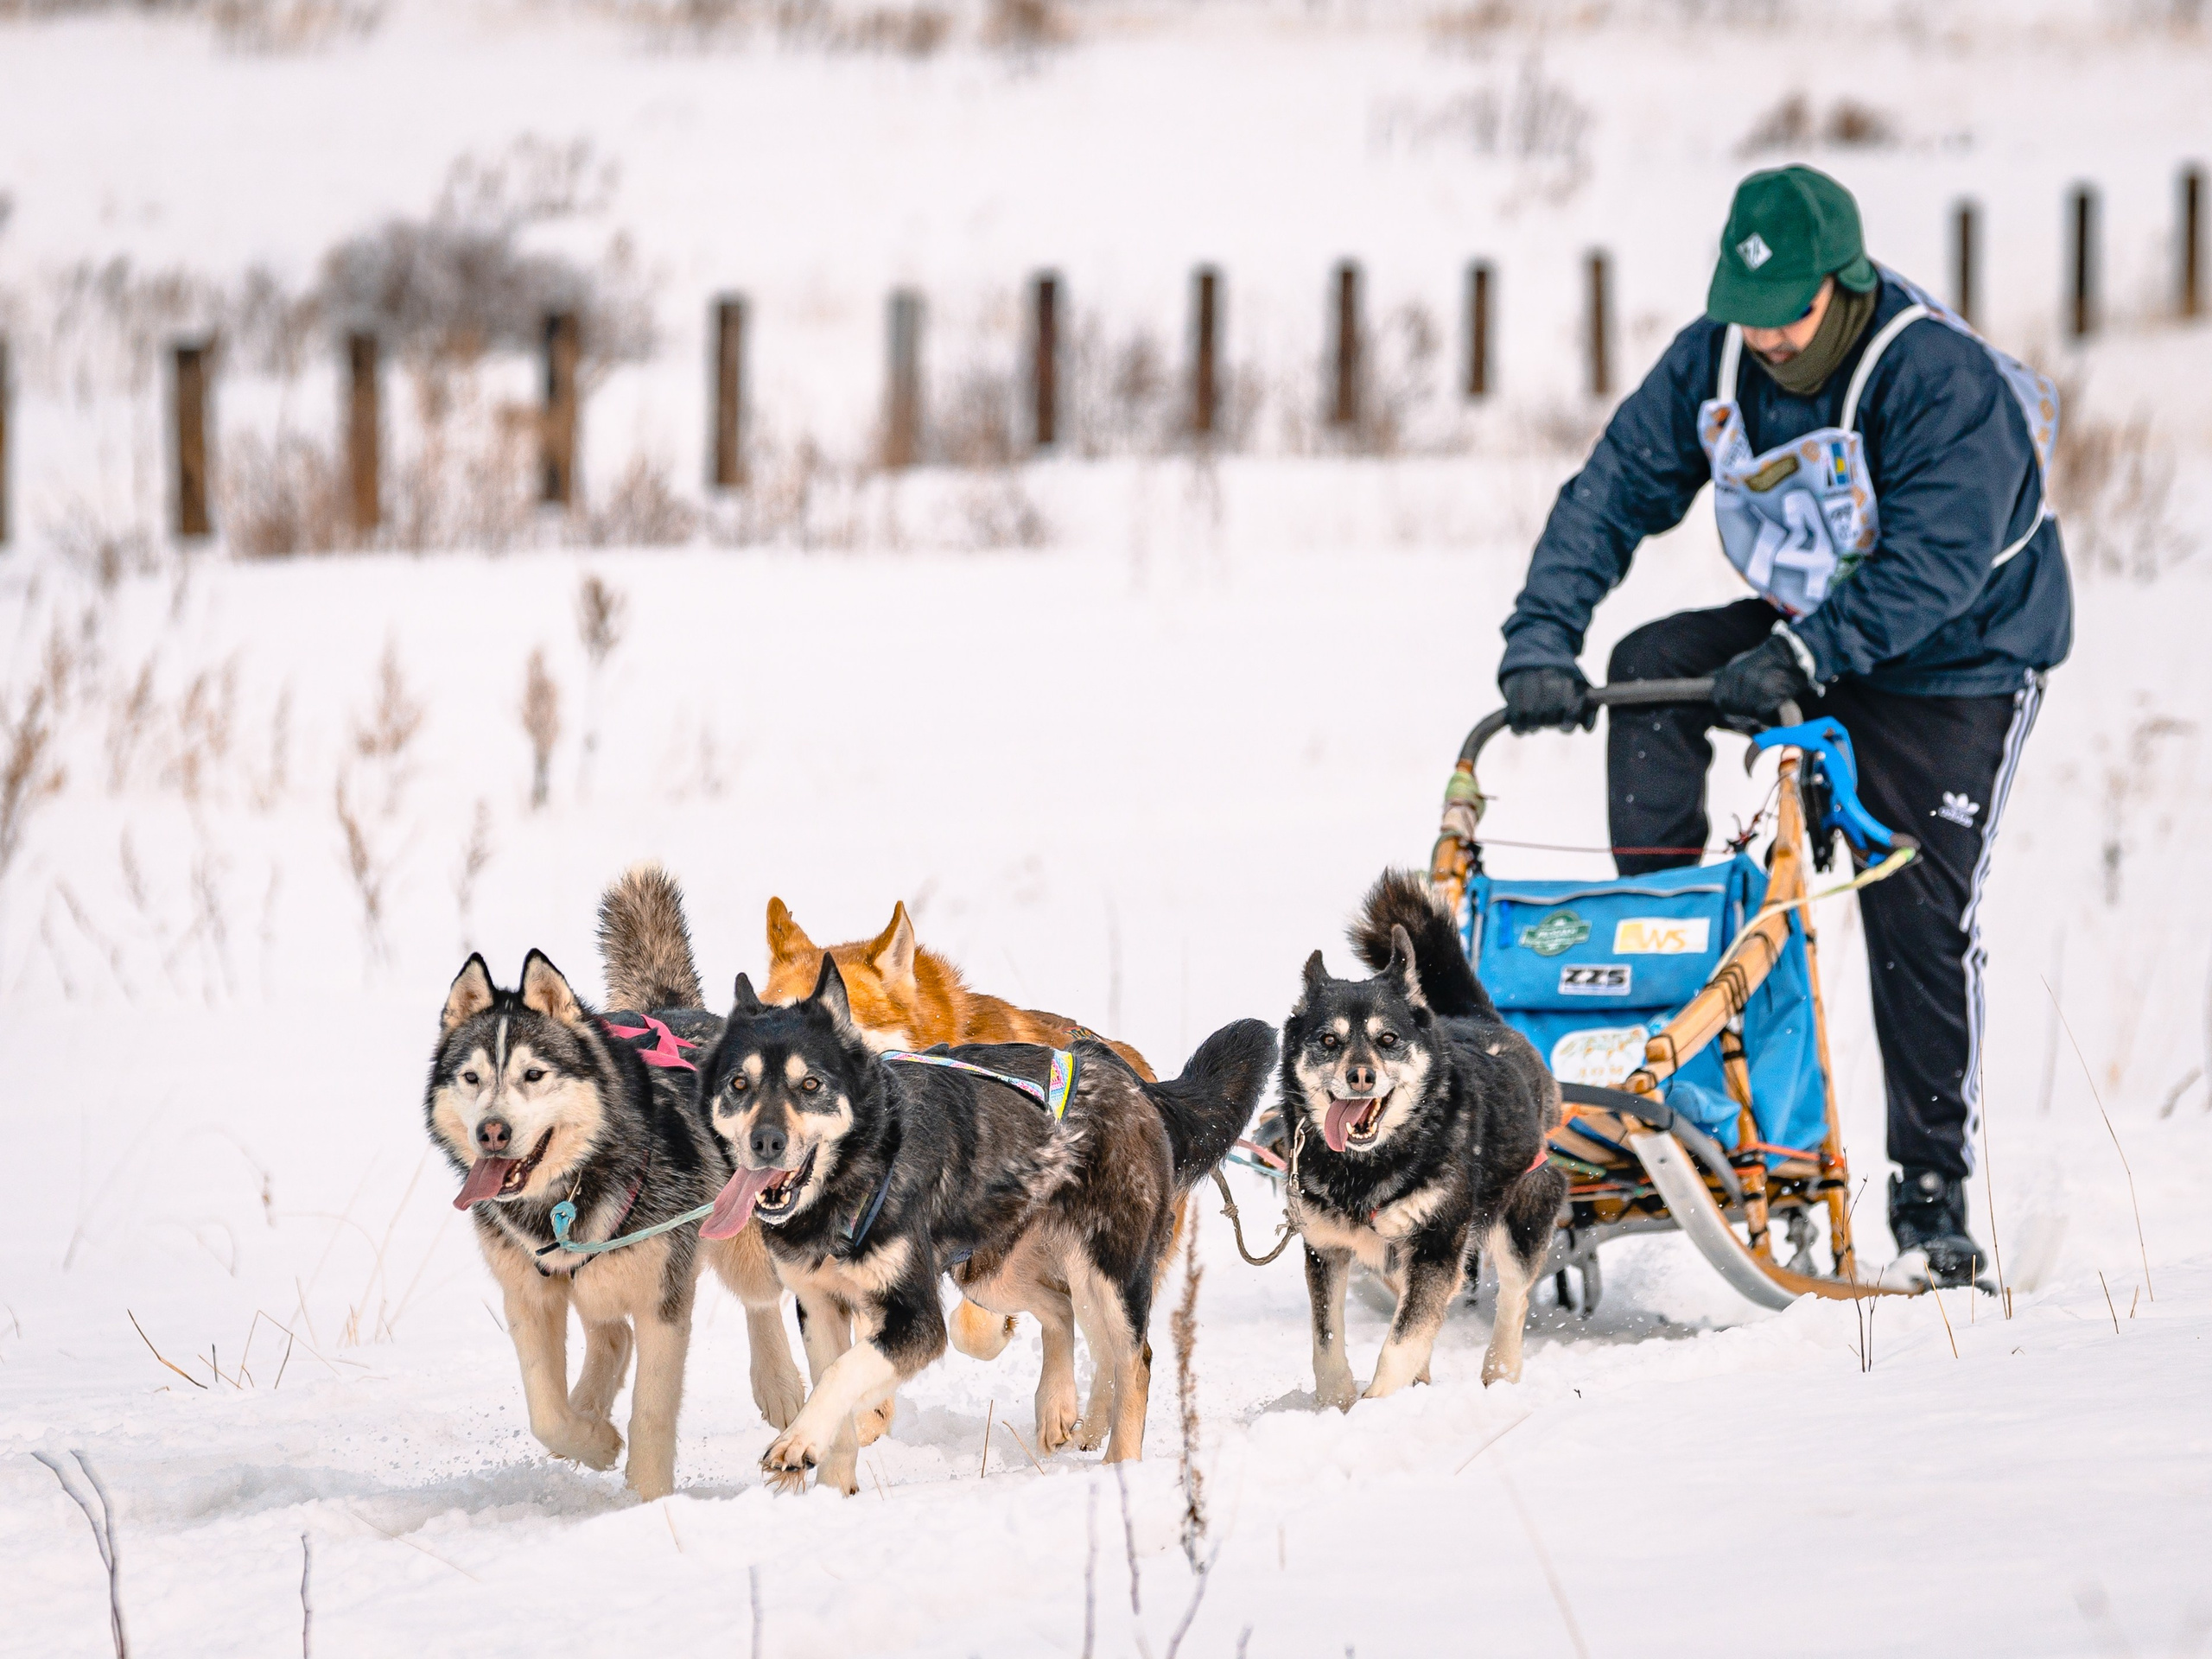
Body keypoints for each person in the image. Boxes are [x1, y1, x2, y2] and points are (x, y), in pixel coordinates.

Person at [1495, 164, 2071, 1289]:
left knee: (1917, 902)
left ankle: (1931, 1194)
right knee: (1650, 675)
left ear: (1842, 287)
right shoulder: (1715, 357)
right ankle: (1670, 1024)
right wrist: (1539, 638)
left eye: (1787, 315)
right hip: (1810, 621)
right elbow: (1611, 491)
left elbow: (1935, 562)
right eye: (1744, 312)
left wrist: (1806, 657)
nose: (1763, 338)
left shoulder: (1932, 375)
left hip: (1959, 655)